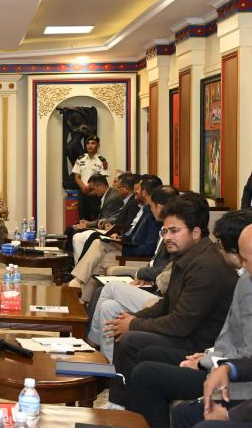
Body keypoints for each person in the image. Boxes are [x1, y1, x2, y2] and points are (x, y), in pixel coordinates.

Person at [106, 193, 238, 409]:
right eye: (165, 231)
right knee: (130, 337)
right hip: (188, 335)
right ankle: (123, 406)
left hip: (201, 345)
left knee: (131, 341)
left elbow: (181, 323)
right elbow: (165, 304)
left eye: (174, 231)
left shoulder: (206, 266)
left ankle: (121, 407)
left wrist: (134, 324)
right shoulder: (187, 256)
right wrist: (133, 318)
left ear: (196, 232)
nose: (167, 237)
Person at [127, 210, 252, 427]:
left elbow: (246, 354)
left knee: (146, 374)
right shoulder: (242, 278)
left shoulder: (239, 280)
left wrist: (206, 362)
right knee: (145, 355)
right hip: (219, 359)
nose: (244, 265)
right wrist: (208, 357)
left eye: (246, 259)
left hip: (237, 381)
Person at [86, 185, 177, 361]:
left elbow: (165, 275)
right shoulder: (164, 228)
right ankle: (109, 363)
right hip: (153, 283)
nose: (150, 208)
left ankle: (91, 343)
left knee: (110, 288)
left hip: (159, 297)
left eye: (151, 205)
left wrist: (147, 276)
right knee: (108, 306)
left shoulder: (180, 241)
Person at [67, 174, 157, 302]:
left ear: (144, 192)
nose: (135, 192)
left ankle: (79, 293)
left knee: (97, 258)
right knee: (97, 243)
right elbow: (134, 234)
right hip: (128, 247)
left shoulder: (153, 215)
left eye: (138, 189)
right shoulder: (146, 210)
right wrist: (121, 238)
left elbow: (148, 248)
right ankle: (79, 292)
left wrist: (124, 245)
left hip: (133, 254)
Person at [69, 174, 124, 262]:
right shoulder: (106, 195)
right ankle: (71, 262)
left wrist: (88, 224)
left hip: (107, 229)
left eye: (93, 189)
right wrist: (87, 223)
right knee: (72, 230)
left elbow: (103, 221)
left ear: (100, 186)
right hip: (103, 227)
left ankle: (77, 263)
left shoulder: (112, 198)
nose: (93, 192)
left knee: (76, 233)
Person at [72, 135, 108, 221]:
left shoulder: (102, 161)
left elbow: (102, 179)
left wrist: (89, 187)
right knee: (82, 218)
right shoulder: (80, 159)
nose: (90, 145)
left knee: (95, 219)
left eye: (93, 143)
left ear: (98, 146)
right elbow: (77, 176)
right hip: (83, 193)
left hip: (95, 194)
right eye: (88, 143)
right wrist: (83, 187)